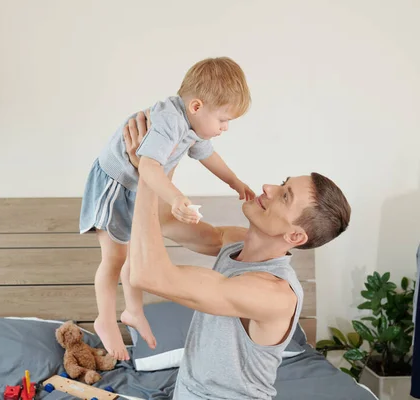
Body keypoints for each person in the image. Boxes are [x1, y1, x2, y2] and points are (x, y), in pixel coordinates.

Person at [124, 111, 351, 399]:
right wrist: (163, 154)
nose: (269, 187)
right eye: (282, 183)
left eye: (284, 196)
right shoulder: (235, 242)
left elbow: (149, 275)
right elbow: (165, 220)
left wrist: (148, 169)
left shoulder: (274, 294)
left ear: (295, 236)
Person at [79, 57, 255, 361]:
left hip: (135, 188)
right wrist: (175, 198)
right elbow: (148, 165)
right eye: (224, 119)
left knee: (137, 254)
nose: (225, 128)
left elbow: (207, 155)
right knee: (114, 257)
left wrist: (234, 181)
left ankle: (133, 311)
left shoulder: (192, 125)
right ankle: (104, 319)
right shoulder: (169, 120)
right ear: (197, 107)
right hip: (114, 185)